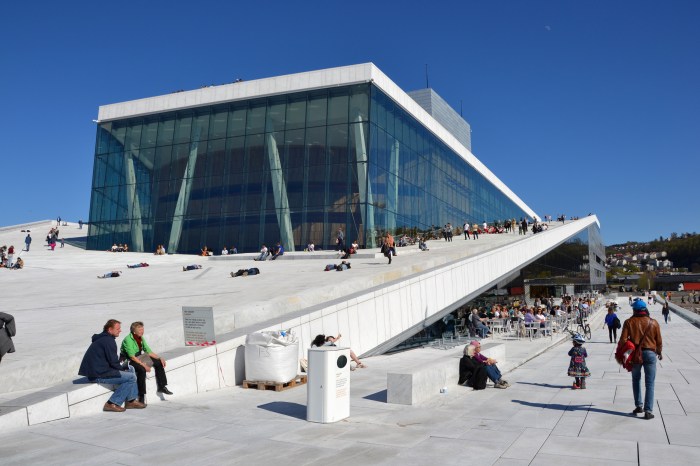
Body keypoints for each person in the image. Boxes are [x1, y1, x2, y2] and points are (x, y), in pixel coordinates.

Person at [78, 319, 145, 412]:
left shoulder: (104, 338)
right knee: (131, 377)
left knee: (131, 369)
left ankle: (131, 401)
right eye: (118, 329)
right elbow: (113, 362)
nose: (120, 330)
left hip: (101, 370)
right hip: (98, 374)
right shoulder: (108, 341)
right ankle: (111, 403)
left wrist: (123, 368)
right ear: (110, 330)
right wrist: (122, 369)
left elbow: (111, 362)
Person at [617, 299, 663, 420]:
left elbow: (623, 340)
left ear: (634, 310)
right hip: (650, 353)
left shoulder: (629, 322)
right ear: (645, 310)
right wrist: (659, 352)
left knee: (636, 380)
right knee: (650, 383)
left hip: (636, 354)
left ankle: (639, 406)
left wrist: (623, 351)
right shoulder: (654, 323)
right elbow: (659, 342)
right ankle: (648, 411)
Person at [121, 321, 172, 404]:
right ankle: (141, 395)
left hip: (138, 357)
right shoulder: (128, 339)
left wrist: (160, 357)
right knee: (141, 370)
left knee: (159, 362)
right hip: (129, 360)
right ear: (134, 331)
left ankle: (162, 386)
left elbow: (148, 351)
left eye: (142, 329)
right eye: (140, 330)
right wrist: (144, 366)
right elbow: (131, 356)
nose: (142, 331)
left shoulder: (141, 338)